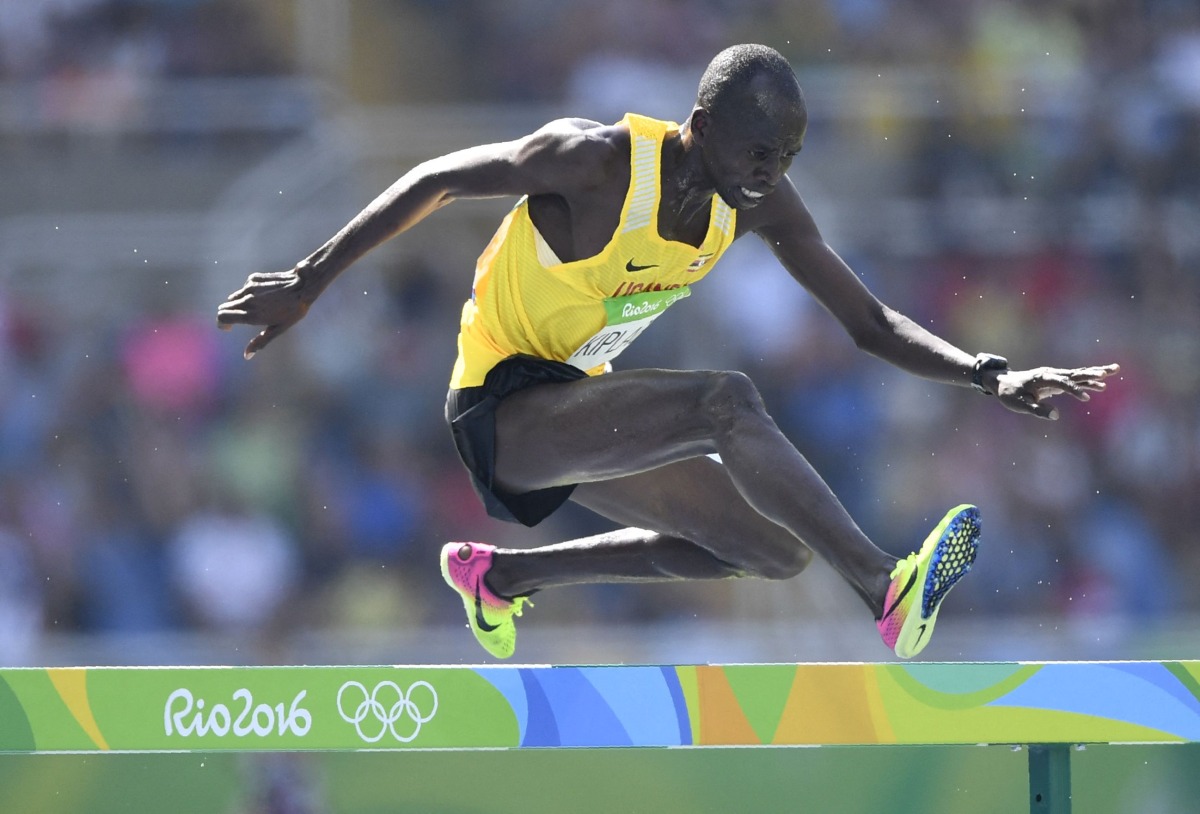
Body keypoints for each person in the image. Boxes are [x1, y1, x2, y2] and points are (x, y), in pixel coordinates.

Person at [217, 44, 1118, 661]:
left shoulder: (755, 203)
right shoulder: (599, 161)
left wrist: (985, 371)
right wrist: (310, 278)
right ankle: (886, 587)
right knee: (722, 401)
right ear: (702, 122)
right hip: (499, 406)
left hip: (578, 408)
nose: (772, 170)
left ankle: (501, 578)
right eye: (759, 148)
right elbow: (440, 179)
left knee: (770, 550)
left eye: (790, 154)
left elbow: (869, 323)